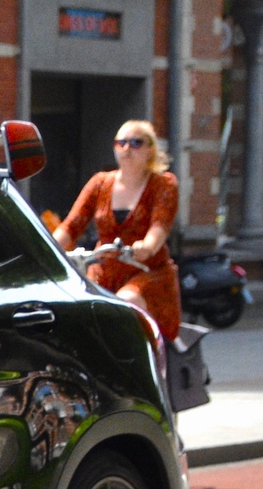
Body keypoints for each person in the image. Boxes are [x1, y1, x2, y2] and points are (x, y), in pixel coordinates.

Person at [58, 119, 181, 341]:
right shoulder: (100, 183)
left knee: (125, 304)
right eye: (121, 142)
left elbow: (159, 226)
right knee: (76, 311)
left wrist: (147, 247)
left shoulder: (163, 184)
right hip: (102, 270)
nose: (127, 149)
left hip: (145, 271)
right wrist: (47, 248)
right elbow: (71, 226)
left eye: (136, 143)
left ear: (150, 149)